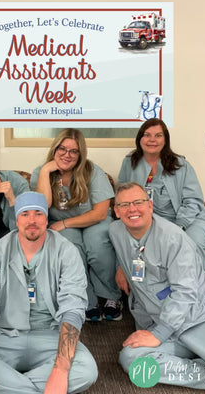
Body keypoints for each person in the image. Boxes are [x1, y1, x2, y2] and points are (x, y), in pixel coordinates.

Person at [0, 192, 98, 394]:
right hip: (3, 335)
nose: (32, 220)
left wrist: (60, 371)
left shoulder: (67, 251)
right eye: (25, 214)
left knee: (86, 370)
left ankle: (7, 386)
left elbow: (73, 309)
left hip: (51, 335)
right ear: (16, 220)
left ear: (47, 219)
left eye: (38, 213)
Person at [109, 182, 205, 391]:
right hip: (161, 322)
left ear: (150, 205)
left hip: (200, 318)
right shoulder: (115, 231)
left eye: (138, 202)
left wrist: (158, 334)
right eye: (124, 205)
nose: (132, 209)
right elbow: (133, 254)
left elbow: (185, 293)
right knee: (132, 360)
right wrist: (121, 268)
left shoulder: (174, 238)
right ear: (116, 211)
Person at [31, 128, 122, 322]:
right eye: (62, 149)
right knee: (71, 247)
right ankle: (86, 300)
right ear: (54, 149)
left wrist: (64, 223)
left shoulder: (92, 171)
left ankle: (111, 297)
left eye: (74, 151)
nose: (67, 154)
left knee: (97, 244)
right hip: (62, 226)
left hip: (93, 221)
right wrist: (47, 170)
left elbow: (99, 213)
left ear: (81, 154)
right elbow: (41, 206)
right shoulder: (41, 172)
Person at [118, 118, 205, 273]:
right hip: (152, 221)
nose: (152, 140)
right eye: (147, 135)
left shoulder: (180, 164)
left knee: (193, 244)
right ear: (140, 139)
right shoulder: (130, 163)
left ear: (165, 139)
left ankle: (198, 293)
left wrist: (179, 226)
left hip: (189, 220)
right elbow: (122, 196)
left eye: (158, 135)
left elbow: (193, 201)